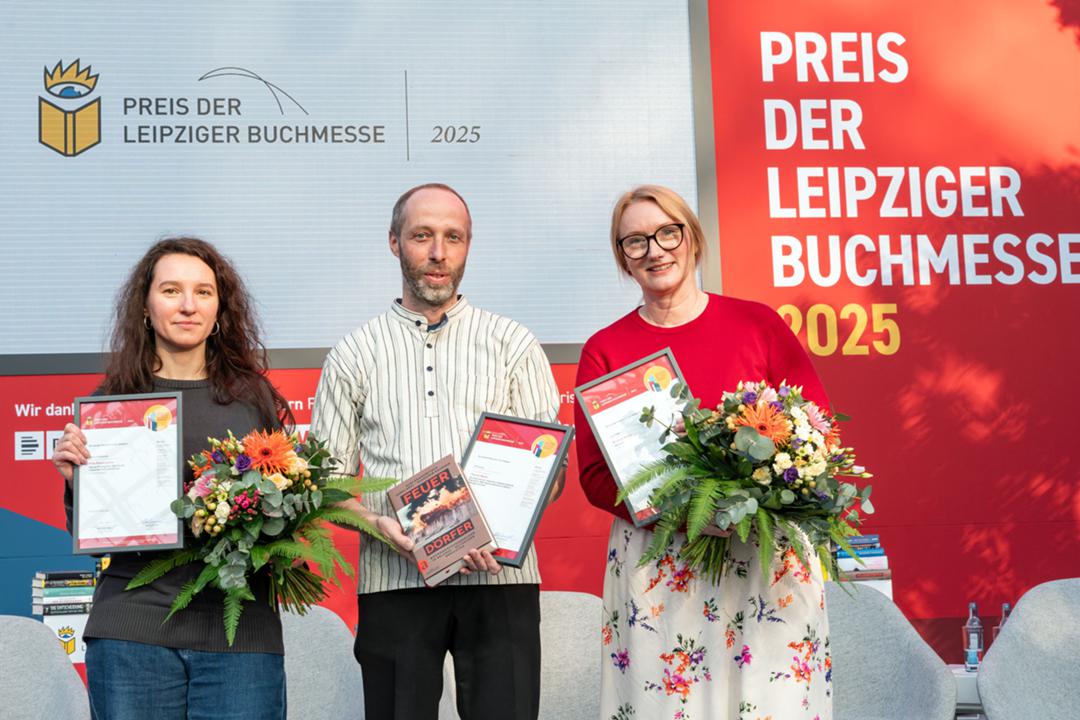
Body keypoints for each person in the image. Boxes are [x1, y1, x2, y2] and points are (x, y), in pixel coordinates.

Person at [575, 186, 834, 719]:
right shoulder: (605, 349)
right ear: (623, 259)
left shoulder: (757, 324)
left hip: (764, 559)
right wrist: (684, 515)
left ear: (692, 238)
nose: (655, 250)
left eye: (667, 232)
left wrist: (759, 502)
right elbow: (598, 475)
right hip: (663, 568)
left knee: (771, 701)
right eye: (635, 242)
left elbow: (817, 429)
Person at [310, 183, 561, 719]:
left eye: (454, 237)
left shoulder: (514, 343)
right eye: (422, 235)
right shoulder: (354, 352)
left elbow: (551, 473)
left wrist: (495, 523)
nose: (438, 252)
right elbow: (326, 485)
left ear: (469, 245)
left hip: (501, 578)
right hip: (395, 580)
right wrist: (385, 530)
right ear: (394, 242)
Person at [51, 238, 293, 720]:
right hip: (132, 633)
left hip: (239, 633)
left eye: (203, 292)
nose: (187, 305)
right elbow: (98, 536)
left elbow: (286, 515)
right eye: (171, 290)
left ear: (220, 307)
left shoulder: (255, 400)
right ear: (144, 306)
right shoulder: (111, 403)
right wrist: (78, 481)